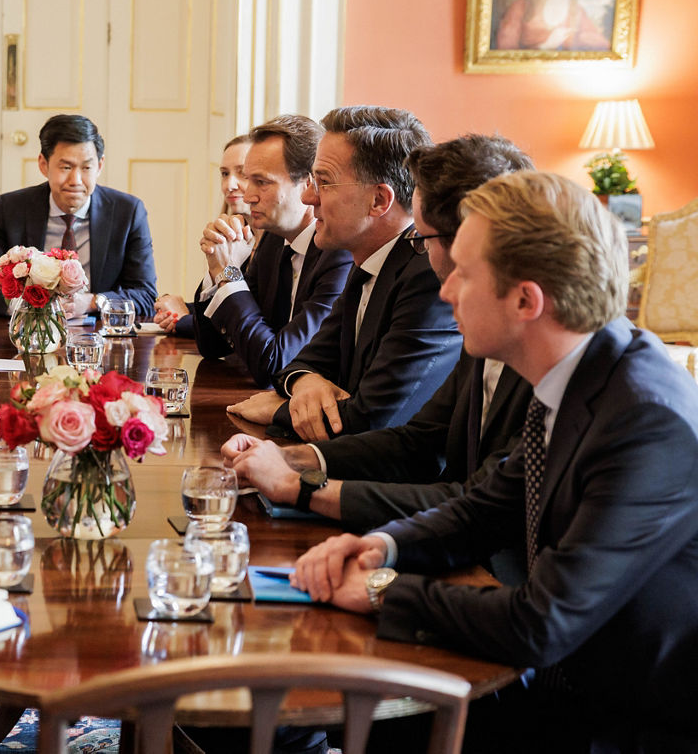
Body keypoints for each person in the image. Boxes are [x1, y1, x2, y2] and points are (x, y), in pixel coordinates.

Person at [290, 172, 698, 752]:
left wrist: (383, 590)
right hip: (565, 680)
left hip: (623, 720)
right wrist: (382, 547)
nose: (446, 291)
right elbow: (483, 508)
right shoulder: (583, 372)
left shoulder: (644, 420)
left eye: (465, 273)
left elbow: (542, 623)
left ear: (526, 300)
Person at [221, 134, 534, 582]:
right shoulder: (480, 322)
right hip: (453, 551)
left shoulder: (544, 358)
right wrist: (295, 459)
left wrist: (300, 485)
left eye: (422, 238)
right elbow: (420, 441)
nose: (447, 290)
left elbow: (477, 504)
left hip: (491, 575)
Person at [227, 105, 460, 441]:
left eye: (323, 182)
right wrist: (306, 381)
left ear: (378, 200)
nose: (308, 196)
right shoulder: (366, 260)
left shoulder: (427, 277)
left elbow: (372, 418)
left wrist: (279, 410)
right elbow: (300, 362)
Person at [184, 117, 351, 388]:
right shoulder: (274, 240)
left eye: (262, 182)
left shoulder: (340, 253)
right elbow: (214, 346)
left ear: (309, 183)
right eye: (248, 180)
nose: (248, 196)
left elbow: (277, 364)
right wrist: (218, 269)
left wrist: (229, 274)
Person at [0, 114, 158, 318]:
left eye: (86, 168)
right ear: (43, 164)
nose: (75, 180)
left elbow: (146, 296)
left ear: (100, 166)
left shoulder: (128, 212)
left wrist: (92, 302)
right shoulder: (10, 209)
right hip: (30, 330)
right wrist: (36, 304)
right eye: (66, 167)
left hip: (98, 331)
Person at [152, 134, 255, 337]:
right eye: (224, 174)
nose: (229, 185)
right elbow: (223, 302)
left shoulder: (274, 242)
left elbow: (247, 319)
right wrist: (182, 307)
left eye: (242, 173)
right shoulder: (229, 236)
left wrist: (183, 319)